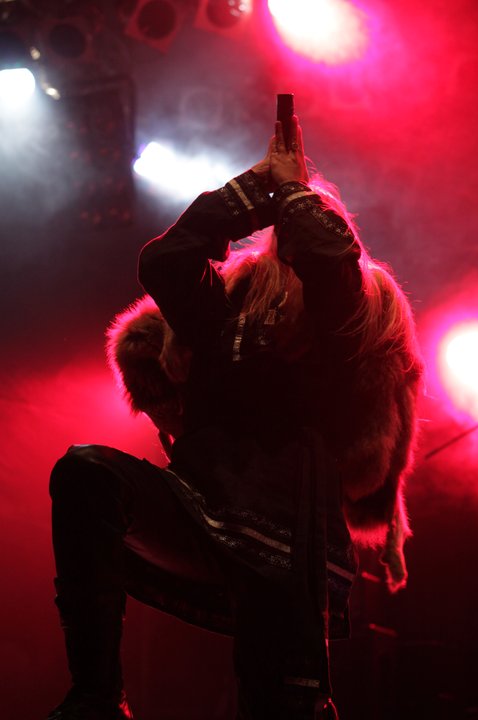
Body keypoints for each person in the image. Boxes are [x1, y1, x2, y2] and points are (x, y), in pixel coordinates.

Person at [47, 116, 423, 720]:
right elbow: (165, 260)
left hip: (289, 539)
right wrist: (255, 189)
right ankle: (96, 698)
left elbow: (331, 263)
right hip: (203, 508)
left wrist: (294, 190)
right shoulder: (221, 315)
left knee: (285, 707)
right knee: (85, 472)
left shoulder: (344, 324)